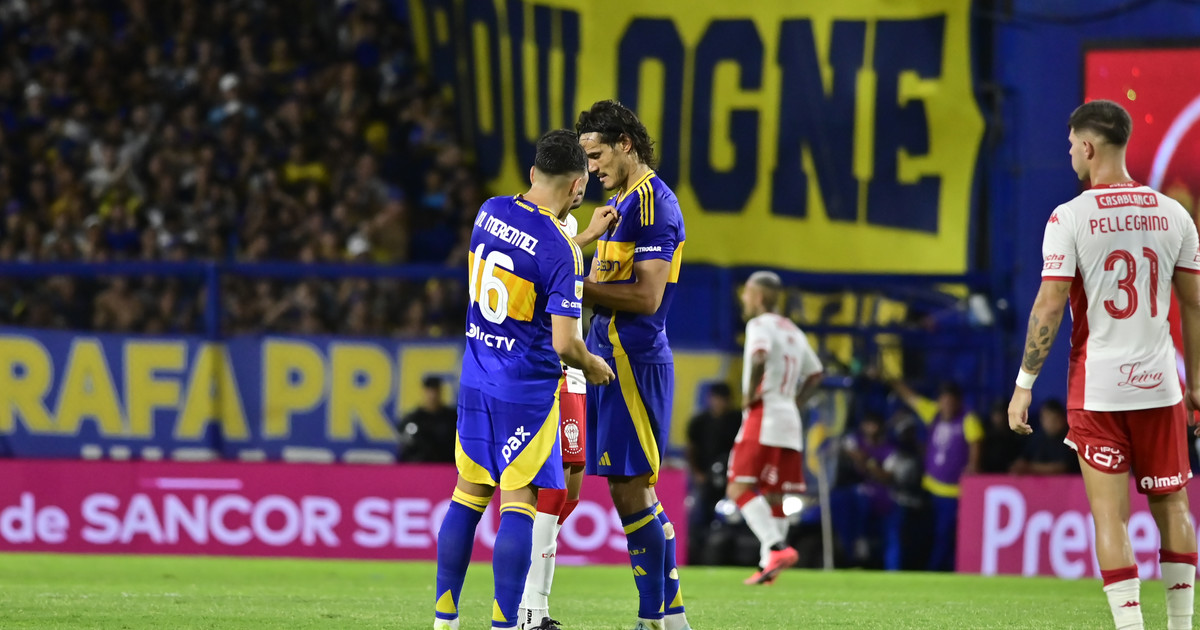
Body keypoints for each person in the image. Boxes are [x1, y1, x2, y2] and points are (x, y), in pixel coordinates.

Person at [1008, 99, 1200, 630]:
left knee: (1110, 517)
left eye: (1072, 144)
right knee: (1174, 507)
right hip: (1160, 386)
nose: (1070, 152)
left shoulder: (1069, 217)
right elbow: (1194, 304)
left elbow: (1050, 305)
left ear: (1089, 147)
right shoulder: (1174, 213)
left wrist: (1024, 383)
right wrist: (1197, 383)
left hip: (1098, 391)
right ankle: (1181, 626)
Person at [432, 130, 615, 630]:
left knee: (467, 496)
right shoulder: (562, 250)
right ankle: (504, 623)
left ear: (534, 172)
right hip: (525, 391)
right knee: (519, 502)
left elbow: (530, 258)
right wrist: (592, 365)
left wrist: (579, 241)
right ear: (577, 187)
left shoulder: (489, 211)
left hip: (476, 376)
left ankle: (444, 620)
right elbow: (564, 343)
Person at [577, 100, 690, 630]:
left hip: (632, 359)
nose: (590, 168)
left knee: (630, 489)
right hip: (607, 356)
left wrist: (573, 282)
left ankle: (653, 619)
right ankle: (673, 618)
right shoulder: (620, 201)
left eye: (597, 155)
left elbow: (646, 297)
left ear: (625, 144)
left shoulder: (653, 205)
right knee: (633, 490)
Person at [518, 141, 619, 630]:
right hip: (557, 368)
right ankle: (530, 608)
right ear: (576, 183)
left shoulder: (563, 230)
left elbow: (560, 258)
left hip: (571, 373)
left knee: (569, 492)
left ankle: (527, 599)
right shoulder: (538, 229)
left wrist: (588, 237)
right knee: (551, 491)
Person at [726, 271, 823, 585]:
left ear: (758, 295)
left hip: (764, 413)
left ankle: (777, 548)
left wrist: (748, 394)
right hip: (789, 417)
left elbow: (759, 356)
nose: (744, 298)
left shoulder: (759, 325)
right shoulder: (793, 330)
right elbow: (816, 374)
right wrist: (796, 401)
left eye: (747, 292)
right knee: (774, 494)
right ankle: (768, 567)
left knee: (737, 488)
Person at [891, 379, 982, 571]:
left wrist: (972, 466)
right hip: (931, 487)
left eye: (951, 402)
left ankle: (937, 569)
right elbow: (911, 398)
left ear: (958, 402)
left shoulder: (967, 419)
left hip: (954, 492)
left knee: (945, 533)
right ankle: (924, 566)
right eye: (944, 401)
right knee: (928, 531)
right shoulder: (933, 413)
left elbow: (975, 442)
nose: (947, 406)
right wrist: (892, 380)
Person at [684, 382, 743, 560]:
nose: (719, 403)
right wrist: (697, 473)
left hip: (731, 478)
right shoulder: (700, 421)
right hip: (705, 478)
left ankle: (732, 555)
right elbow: (691, 449)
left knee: (734, 517)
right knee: (700, 516)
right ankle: (697, 556)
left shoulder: (737, 419)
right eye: (716, 398)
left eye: (722, 399)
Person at [1009, 399, 1079, 476]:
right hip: (1035, 482)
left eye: (1054, 419)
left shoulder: (1071, 439)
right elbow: (1023, 459)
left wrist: (1030, 468)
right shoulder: (1037, 438)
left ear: (1063, 419)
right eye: (1046, 418)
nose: (1050, 423)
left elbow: (1062, 467)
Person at [398, 375, 456, 463]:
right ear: (424, 392)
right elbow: (405, 449)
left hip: (446, 466)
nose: (432, 395)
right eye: (429, 391)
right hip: (420, 467)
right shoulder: (413, 419)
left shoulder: (452, 418)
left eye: (435, 391)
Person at [980, 400, 1025, 473]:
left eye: (1003, 414)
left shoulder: (1018, 435)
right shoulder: (985, 434)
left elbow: (1021, 460)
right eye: (997, 414)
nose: (1000, 418)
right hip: (987, 473)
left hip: (1010, 475)